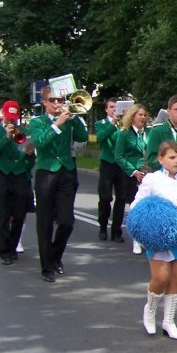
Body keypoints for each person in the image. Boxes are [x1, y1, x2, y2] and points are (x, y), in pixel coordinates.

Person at [135, 141, 177, 340]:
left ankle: (169, 322)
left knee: (175, 279)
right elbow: (138, 205)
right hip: (159, 236)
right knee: (161, 278)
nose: (176, 161)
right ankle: (150, 310)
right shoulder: (152, 179)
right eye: (172, 157)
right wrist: (143, 231)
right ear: (160, 159)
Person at [29, 85, 89, 282]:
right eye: (52, 100)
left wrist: (76, 119)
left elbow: (82, 137)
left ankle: (54, 256)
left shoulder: (69, 119)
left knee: (66, 221)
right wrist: (57, 124)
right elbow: (39, 142)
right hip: (46, 172)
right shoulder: (37, 121)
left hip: (66, 172)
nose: (57, 103)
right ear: (45, 102)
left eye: (60, 100)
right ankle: (47, 267)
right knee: (44, 222)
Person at [0, 100, 34, 265]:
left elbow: (31, 161)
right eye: (8, 117)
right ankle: (5, 251)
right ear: (2, 114)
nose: (11, 121)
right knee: (3, 215)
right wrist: (7, 137)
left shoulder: (25, 131)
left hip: (20, 176)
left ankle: (13, 247)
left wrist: (29, 155)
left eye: (14, 118)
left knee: (19, 215)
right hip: (2, 176)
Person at [115, 103, 150, 255]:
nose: (143, 117)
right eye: (140, 114)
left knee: (147, 207)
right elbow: (119, 156)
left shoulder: (149, 132)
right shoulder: (124, 133)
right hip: (132, 175)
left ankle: (147, 237)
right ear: (133, 116)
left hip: (148, 174)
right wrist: (133, 171)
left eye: (144, 115)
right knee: (135, 207)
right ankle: (136, 239)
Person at [95, 98, 126, 242]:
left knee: (121, 198)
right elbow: (100, 137)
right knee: (105, 197)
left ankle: (116, 231)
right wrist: (112, 125)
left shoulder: (124, 125)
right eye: (112, 107)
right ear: (106, 109)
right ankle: (102, 226)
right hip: (107, 163)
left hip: (121, 165)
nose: (114, 109)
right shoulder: (100, 123)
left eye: (116, 107)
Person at [146, 95, 177, 172]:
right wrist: (172, 166)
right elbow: (151, 158)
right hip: (164, 177)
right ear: (168, 111)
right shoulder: (157, 130)